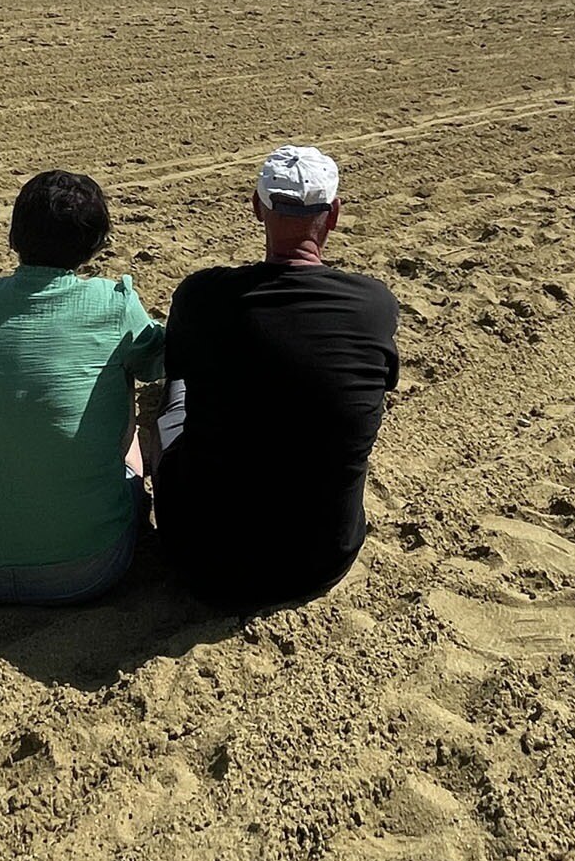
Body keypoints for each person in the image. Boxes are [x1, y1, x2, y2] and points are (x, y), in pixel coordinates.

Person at [151, 146, 399, 613]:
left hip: (200, 556)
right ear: (334, 215)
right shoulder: (373, 304)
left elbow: (179, 368)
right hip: (321, 558)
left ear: (257, 208)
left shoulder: (202, 295)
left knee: (175, 396)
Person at [0, 171, 168, 604]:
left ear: (15, 234)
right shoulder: (113, 304)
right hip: (87, 567)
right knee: (122, 383)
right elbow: (161, 362)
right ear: (96, 244)